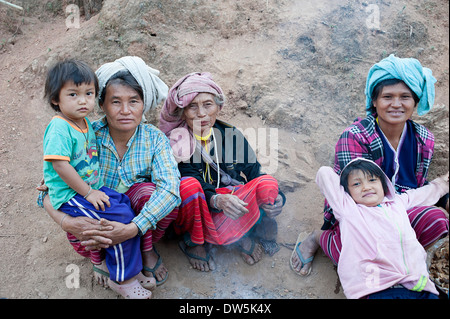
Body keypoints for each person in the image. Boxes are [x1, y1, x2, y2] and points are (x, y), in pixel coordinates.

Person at [290, 54, 449, 277]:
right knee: (357, 256)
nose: (396, 104)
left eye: (405, 97)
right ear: (374, 101)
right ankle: (318, 237)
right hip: (362, 215)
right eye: (387, 97)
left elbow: (418, 184)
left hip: (403, 211)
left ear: (415, 100)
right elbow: (352, 199)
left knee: (437, 221)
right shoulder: (355, 136)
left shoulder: (424, 138)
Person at [39, 56, 181, 292]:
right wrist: (69, 223)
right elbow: (48, 188)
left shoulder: (154, 138)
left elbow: (170, 190)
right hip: (91, 228)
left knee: (147, 193)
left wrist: (132, 229)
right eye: (115, 102)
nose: (125, 111)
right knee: (91, 218)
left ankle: (142, 255)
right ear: (102, 104)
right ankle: (104, 261)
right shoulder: (84, 134)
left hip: (130, 223)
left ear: (144, 104)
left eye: (134, 101)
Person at [159, 72, 285, 271]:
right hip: (199, 209)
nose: (201, 113)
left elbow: (255, 172)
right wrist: (217, 200)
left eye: (208, 104)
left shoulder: (230, 135)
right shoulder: (177, 142)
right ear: (183, 112)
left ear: (219, 107)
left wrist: (278, 198)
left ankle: (243, 233)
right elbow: (192, 182)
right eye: (193, 106)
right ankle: (195, 241)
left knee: (268, 184)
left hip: (232, 203)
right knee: (188, 187)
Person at [314, 158, 448, 299]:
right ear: (347, 192)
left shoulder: (397, 202)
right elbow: (324, 173)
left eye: (372, 180)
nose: (366, 187)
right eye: (356, 184)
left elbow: (425, 194)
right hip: (377, 288)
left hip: (417, 286)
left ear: (384, 184)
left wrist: (444, 183)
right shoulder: (348, 210)